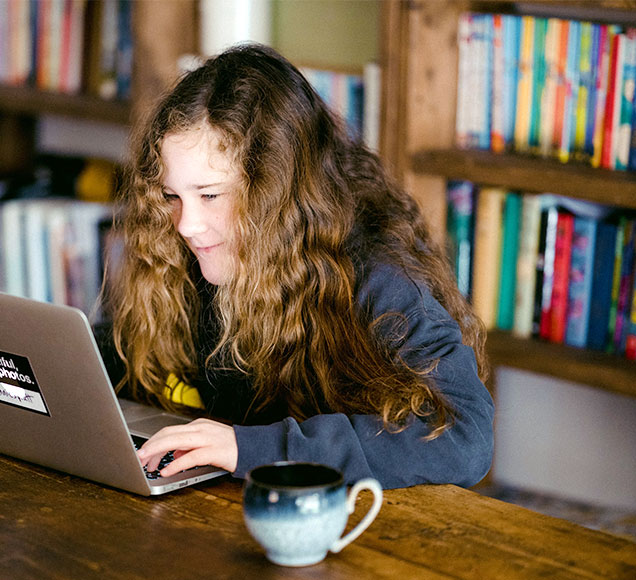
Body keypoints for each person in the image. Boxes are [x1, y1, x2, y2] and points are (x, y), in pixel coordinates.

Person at [98, 43, 494, 490]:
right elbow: (119, 352)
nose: (187, 225)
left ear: (277, 192)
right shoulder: (193, 254)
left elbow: (465, 437)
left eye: (210, 195)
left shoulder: (377, 275)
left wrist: (250, 448)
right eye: (173, 196)